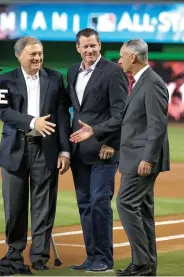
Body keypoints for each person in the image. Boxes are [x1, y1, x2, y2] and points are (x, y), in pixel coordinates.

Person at [70, 38, 170, 276]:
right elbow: (129, 120)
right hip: (134, 156)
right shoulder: (139, 82)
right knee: (143, 211)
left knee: (125, 204)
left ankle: (142, 263)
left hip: (141, 158)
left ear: (133, 57)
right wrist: (95, 131)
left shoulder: (152, 83)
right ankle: (147, 267)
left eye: (123, 56)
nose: (119, 60)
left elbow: (157, 126)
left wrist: (148, 158)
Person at [0, 36, 71, 271]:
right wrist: (32, 122)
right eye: (32, 54)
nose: (38, 58)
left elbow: (62, 116)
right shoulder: (4, 80)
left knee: (44, 206)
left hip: (46, 149)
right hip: (14, 149)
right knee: (14, 205)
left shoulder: (55, 78)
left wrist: (65, 150)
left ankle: (39, 256)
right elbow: (5, 112)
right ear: (19, 55)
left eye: (40, 54)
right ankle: (14, 253)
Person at [66, 28, 128, 273]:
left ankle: (104, 258)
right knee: (85, 205)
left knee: (100, 203)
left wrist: (111, 142)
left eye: (94, 45)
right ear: (78, 48)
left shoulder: (113, 72)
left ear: (99, 45)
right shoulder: (72, 71)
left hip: (104, 150)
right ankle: (91, 257)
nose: (90, 50)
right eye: (85, 46)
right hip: (79, 151)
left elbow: (121, 114)